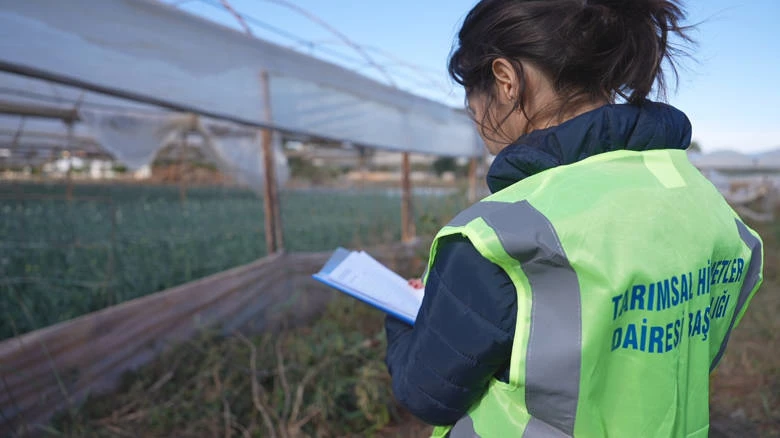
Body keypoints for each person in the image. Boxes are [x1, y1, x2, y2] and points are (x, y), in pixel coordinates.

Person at [384, 0, 764, 437]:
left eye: (472, 100)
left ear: (505, 80)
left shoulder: (500, 236)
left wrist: (402, 318)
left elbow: (427, 392)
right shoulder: (707, 203)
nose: (475, 118)